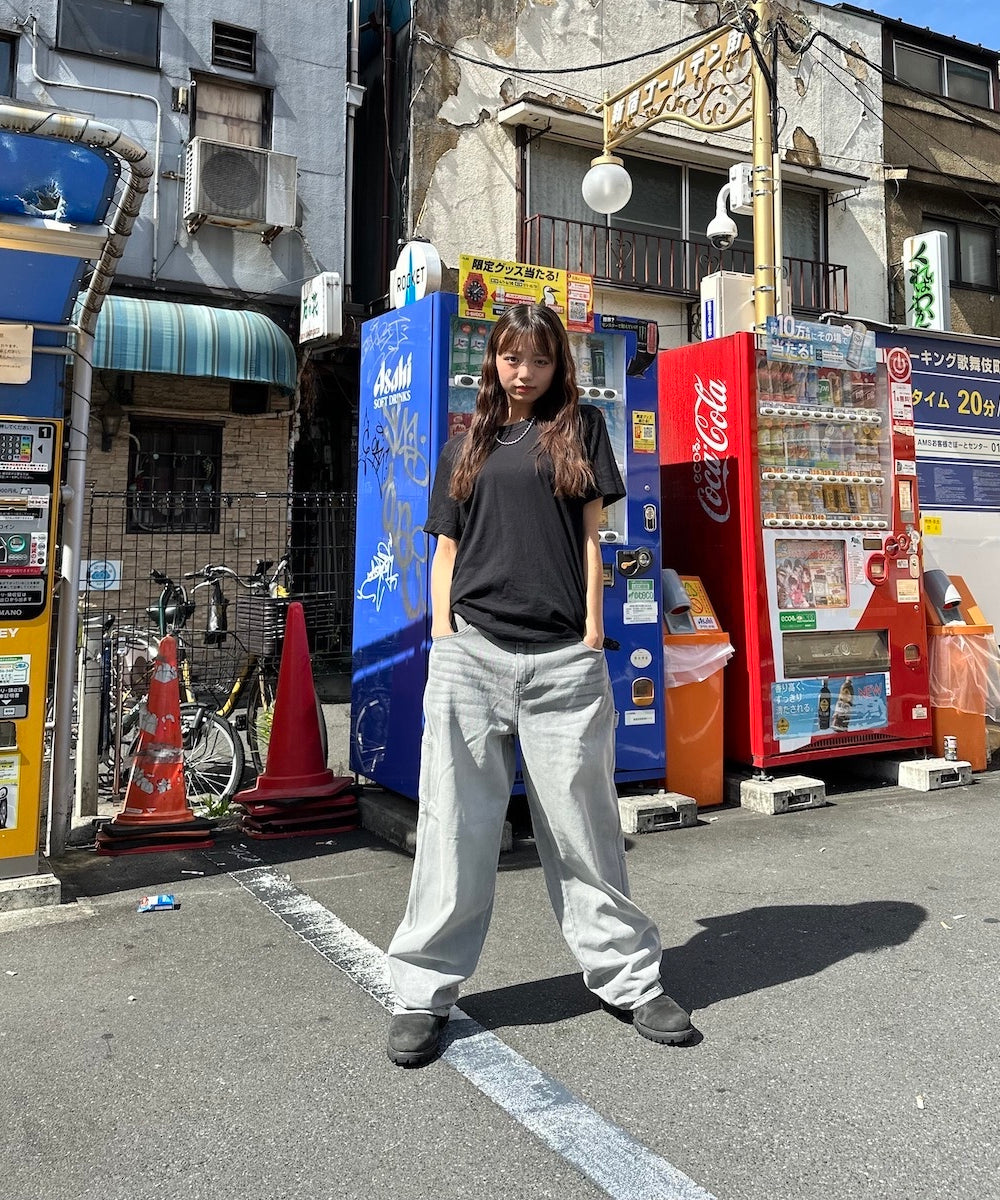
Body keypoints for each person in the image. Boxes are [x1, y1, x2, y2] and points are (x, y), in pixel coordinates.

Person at [385, 303, 693, 1067]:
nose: (524, 373)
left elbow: (593, 537)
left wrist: (592, 633)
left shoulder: (582, 427)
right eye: (511, 358)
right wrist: (445, 637)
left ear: (560, 367)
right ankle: (422, 991)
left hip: (563, 661)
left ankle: (628, 978)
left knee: (583, 830)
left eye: (540, 360)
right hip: (472, 654)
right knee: (454, 831)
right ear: (492, 360)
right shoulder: (467, 443)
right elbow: (446, 553)